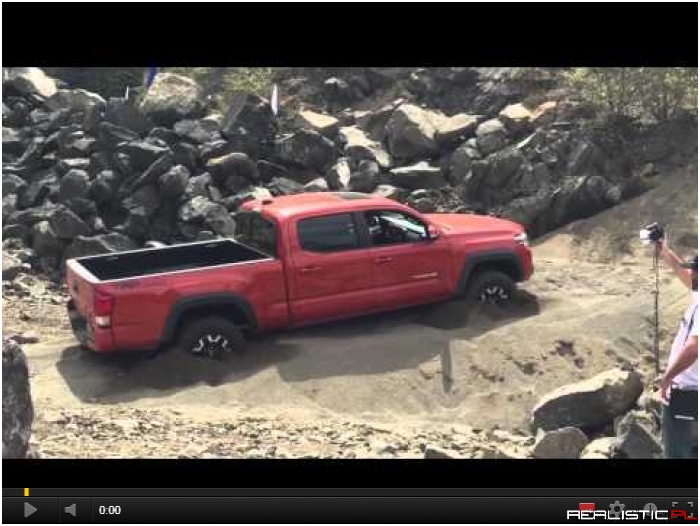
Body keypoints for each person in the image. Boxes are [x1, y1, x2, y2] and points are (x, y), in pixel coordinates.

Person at [657, 236, 697, 459]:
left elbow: (694, 348)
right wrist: (664, 250)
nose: (691, 273)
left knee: (678, 453)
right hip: (690, 392)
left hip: (687, 393)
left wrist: (667, 377)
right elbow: (682, 273)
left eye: (695, 270)